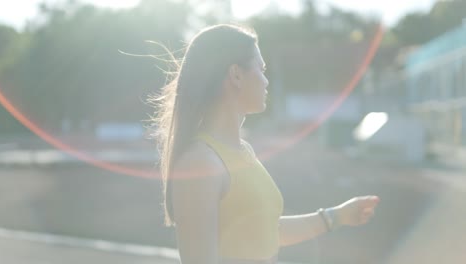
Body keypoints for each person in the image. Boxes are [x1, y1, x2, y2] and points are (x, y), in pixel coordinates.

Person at [150, 24, 380, 264]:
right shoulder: (200, 163)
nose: (266, 81)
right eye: (261, 69)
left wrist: (338, 216)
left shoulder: (243, 151)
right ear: (236, 75)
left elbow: (266, 231)